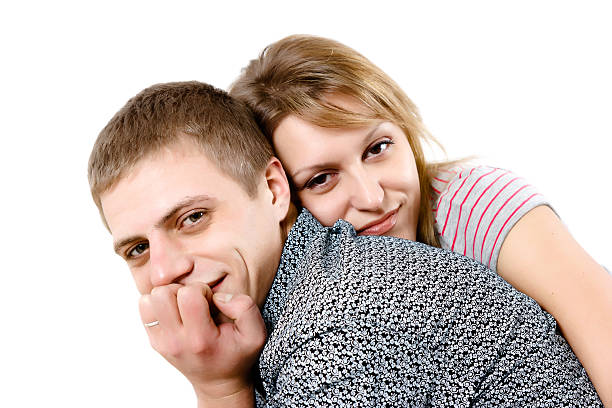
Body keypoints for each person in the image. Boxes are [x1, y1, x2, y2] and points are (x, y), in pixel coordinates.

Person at [89, 81, 602, 407]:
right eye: (137, 249)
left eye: (193, 218)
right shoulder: (293, 296)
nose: (163, 272)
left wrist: (218, 391)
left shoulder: (339, 326)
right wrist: (220, 382)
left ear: (272, 190)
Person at [228, 34, 612, 404]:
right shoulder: (294, 297)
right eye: (322, 179)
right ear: (280, 198)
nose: (372, 197)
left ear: (405, 129)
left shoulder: (474, 205)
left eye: (378, 148)